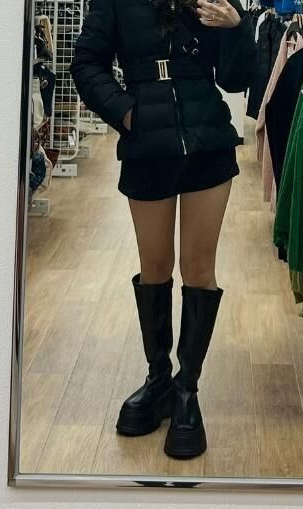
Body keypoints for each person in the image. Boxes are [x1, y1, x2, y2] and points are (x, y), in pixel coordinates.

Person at [70, 0, 256, 459]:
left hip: (207, 142)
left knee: (199, 267)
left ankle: (186, 389)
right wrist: (126, 113)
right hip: (147, 146)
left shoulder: (212, 0)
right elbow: (86, 62)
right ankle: (158, 381)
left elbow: (236, 79)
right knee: (154, 265)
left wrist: (237, 27)